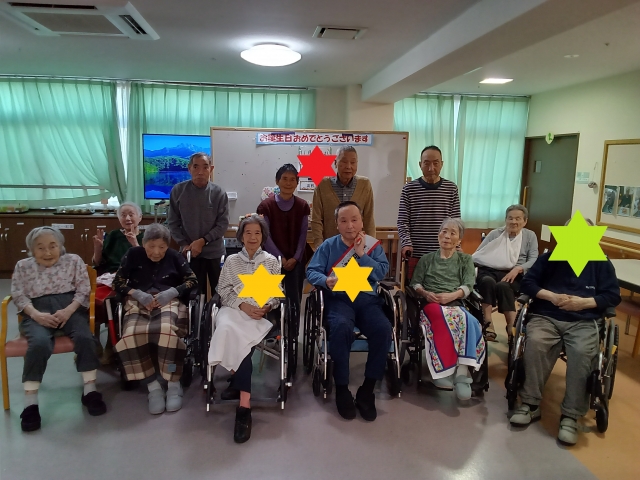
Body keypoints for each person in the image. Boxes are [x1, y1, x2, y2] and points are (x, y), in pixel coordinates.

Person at [510, 218, 621, 446]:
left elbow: (612, 296)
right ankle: (530, 404)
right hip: (546, 315)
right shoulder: (549, 258)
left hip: (584, 320)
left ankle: (571, 415)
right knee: (536, 343)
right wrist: (551, 296)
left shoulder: (601, 263)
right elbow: (528, 284)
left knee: (582, 352)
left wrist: (585, 303)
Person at [11, 227, 106, 432]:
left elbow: (83, 289)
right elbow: (18, 295)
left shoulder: (73, 260)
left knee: (85, 338)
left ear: (61, 246)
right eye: (40, 247)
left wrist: (68, 310)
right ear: (31, 249)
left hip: (70, 308)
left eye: (52, 246)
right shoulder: (23, 266)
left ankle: (90, 390)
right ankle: (30, 403)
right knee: (39, 343)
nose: (47, 252)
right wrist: (37, 315)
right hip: (36, 311)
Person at [307, 201, 391, 421]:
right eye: (343, 220)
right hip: (339, 300)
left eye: (354, 219)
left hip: (367, 300)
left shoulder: (372, 245)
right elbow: (312, 271)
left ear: (362, 222)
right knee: (341, 328)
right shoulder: (328, 246)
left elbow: (381, 273)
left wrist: (362, 255)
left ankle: (367, 390)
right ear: (337, 224)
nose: (350, 225)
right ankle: (342, 388)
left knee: (383, 330)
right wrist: (325, 280)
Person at [207, 214, 281, 443]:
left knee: (243, 341)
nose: (252, 237)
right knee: (226, 328)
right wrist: (242, 305)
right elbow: (223, 291)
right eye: (248, 233)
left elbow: (277, 293)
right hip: (234, 310)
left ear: (263, 236)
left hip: (258, 312)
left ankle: (244, 407)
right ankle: (239, 380)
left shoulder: (271, 261)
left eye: (257, 233)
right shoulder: (231, 261)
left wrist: (268, 306)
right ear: (240, 236)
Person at [112, 223, 198, 415]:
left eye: (162, 247)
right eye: (151, 246)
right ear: (143, 243)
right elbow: (117, 282)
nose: (156, 252)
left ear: (168, 246)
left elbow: (192, 280)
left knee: (167, 332)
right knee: (131, 334)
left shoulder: (175, 257)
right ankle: (153, 386)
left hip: (168, 301)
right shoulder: (133, 254)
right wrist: (137, 294)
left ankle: (173, 382)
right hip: (139, 301)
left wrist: (172, 292)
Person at [409, 218, 486, 401]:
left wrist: (452, 296)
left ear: (459, 239)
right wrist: (426, 293)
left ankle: (462, 374)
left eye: (452, 233)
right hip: (431, 304)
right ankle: (443, 371)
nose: (447, 236)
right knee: (442, 319)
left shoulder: (465, 260)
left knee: (470, 321)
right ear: (438, 235)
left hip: (455, 303)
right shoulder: (427, 259)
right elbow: (415, 283)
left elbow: (468, 285)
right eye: (444, 231)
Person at [168, 152, 229, 299]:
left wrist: (202, 241)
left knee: (220, 294)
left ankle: (216, 314)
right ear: (189, 168)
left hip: (215, 253)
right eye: (196, 167)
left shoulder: (219, 193)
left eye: (205, 167)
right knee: (194, 296)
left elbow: (222, 224)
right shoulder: (178, 191)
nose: (200, 172)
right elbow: (173, 222)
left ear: (211, 169)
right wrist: (184, 244)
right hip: (190, 253)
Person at [473, 204, 538, 341]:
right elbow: (479, 255)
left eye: (518, 219)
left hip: (515, 273)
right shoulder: (495, 234)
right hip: (489, 270)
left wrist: (519, 268)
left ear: (525, 221)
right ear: (505, 219)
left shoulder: (529, 236)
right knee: (487, 282)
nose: (513, 222)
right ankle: (488, 323)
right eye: (510, 218)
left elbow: (533, 259)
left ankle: (511, 326)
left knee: (503, 286)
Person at [91, 201, 144, 364]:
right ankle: (93, 345)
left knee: (115, 301)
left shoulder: (146, 237)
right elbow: (98, 263)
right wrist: (98, 248)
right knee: (89, 300)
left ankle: (111, 346)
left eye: (131, 214)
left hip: (133, 278)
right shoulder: (113, 236)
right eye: (123, 215)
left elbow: (147, 264)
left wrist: (135, 244)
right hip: (109, 277)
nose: (127, 218)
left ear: (140, 217)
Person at [397, 145, 461, 279]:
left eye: (436, 163)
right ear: (420, 164)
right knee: (415, 289)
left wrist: (457, 245)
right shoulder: (409, 189)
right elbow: (402, 221)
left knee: (442, 287)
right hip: (417, 253)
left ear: (442, 164)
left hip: (443, 253)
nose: (431, 168)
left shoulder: (451, 189)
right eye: (426, 163)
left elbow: (456, 223)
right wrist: (406, 243)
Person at [257, 163, 310, 314]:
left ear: (297, 183)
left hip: (295, 261)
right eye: (284, 178)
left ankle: (293, 326)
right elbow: (265, 236)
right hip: (270, 260)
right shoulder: (266, 206)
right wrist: (280, 258)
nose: (288, 183)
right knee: (270, 300)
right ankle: (273, 326)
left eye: (292, 179)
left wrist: (296, 258)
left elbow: (303, 235)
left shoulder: (302, 206)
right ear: (277, 181)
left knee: (294, 300)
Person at [310, 146, 375, 250]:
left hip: (357, 248)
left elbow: (369, 219)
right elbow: (316, 220)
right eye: (344, 162)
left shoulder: (365, 184)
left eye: (353, 162)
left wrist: (370, 248)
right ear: (335, 163)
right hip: (330, 249)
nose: (348, 166)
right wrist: (320, 247)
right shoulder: (322, 185)